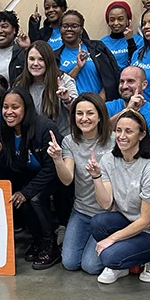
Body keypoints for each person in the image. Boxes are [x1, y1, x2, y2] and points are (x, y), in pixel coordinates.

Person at [89, 110, 150, 284]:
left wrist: (111, 239)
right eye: (118, 130)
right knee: (98, 222)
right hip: (130, 221)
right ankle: (127, 263)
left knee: (109, 257)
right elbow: (106, 204)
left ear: (141, 135)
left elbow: (146, 221)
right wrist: (96, 177)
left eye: (129, 131)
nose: (122, 136)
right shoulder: (108, 160)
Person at [0, 88, 62, 269]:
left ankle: (50, 244)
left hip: (54, 175)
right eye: (5, 107)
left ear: (26, 108)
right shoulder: (5, 129)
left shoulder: (44, 128)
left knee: (33, 199)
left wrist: (26, 192)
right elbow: (8, 173)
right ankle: (37, 240)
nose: (9, 112)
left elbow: (52, 168)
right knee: (17, 197)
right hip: (29, 175)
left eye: (15, 107)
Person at [48, 93, 113, 275]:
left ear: (100, 115)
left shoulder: (114, 141)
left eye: (90, 113)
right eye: (79, 113)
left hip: (107, 214)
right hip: (81, 211)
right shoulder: (69, 141)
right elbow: (67, 179)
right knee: (69, 262)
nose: (84, 118)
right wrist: (57, 159)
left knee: (90, 266)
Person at [15, 41, 77, 137]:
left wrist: (67, 100)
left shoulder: (63, 80)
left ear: (49, 61)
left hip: (61, 138)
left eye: (41, 59)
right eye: (31, 59)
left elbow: (78, 111)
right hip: (31, 139)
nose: (35, 63)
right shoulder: (20, 83)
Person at [55, 9, 120, 99]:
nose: (69, 29)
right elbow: (59, 85)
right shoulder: (55, 56)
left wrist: (97, 103)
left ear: (81, 29)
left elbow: (110, 78)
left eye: (74, 26)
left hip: (100, 105)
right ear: (60, 29)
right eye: (65, 26)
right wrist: (77, 67)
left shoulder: (97, 48)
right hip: (71, 107)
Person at [105, 66, 150, 156]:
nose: (124, 86)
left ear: (144, 85)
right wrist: (128, 110)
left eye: (130, 81)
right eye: (122, 81)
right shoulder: (108, 107)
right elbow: (100, 134)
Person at [101, 1, 143, 70]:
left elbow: (137, 64)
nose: (116, 23)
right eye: (112, 20)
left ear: (128, 21)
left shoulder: (139, 41)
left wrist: (130, 41)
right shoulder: (102, 43)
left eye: (120, 19)